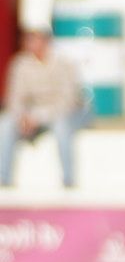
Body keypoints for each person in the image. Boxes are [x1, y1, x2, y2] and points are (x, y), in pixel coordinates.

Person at [0, 29, 85, 189]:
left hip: (60, 114)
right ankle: (4, 180)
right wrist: (23, 117)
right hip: (31, 115)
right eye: (28, 39)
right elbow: (15, 98)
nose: (30, 43)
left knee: (62, 127)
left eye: (35, 39)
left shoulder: (64, 63)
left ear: (46, 41)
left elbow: (68, 101)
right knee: (5, 124)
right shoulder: (20, 64)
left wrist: (37, 117)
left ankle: (69, 182)